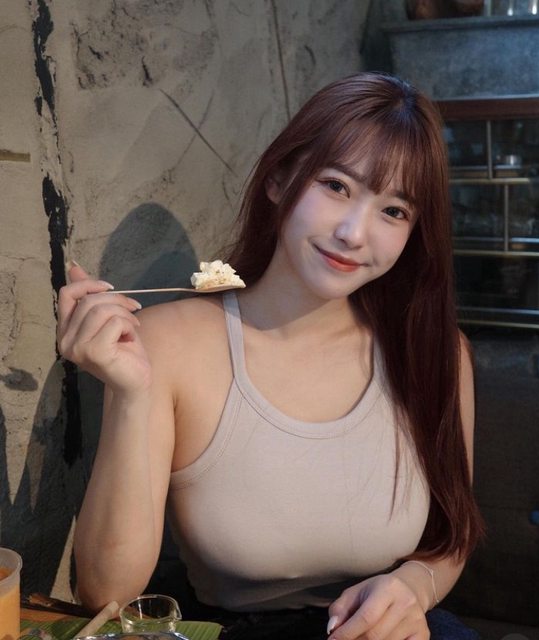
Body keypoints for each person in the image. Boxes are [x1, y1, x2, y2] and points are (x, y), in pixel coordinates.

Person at [57, 72, 484, 640]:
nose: (354, 233)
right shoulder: (167, 343)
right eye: (336, 186)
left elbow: (449, 539)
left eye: (394, 211)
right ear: (280, 179)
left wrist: (414, 588)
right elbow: (106, 594)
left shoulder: (437, 354)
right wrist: (130, 396)